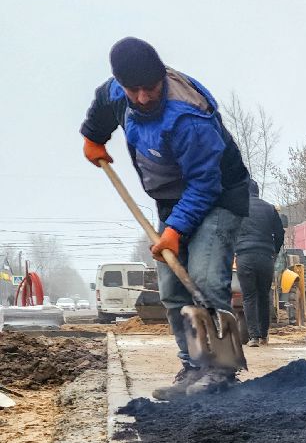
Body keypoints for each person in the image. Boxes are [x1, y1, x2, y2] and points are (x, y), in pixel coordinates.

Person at [80, 37, 252, 399]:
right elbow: (101, 104)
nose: (142, 97)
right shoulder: (117, 92)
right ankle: (193, 367)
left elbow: (205, 185)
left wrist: (175, 231)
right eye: (134, 89)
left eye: (150, 88)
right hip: (171, 200)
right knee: (173, 288)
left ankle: (220, 372)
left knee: (203, 279)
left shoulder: (188, 117)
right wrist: (93, 137)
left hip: (219, 195)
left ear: (162, 77)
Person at [234, 181, 286, 346]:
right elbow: (279, 233)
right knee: (264, 296)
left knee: (249, 296)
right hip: (265, 257)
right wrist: (274, 251)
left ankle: (254, 337)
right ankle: (264, 336)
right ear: (257, 191)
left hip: (245, 257)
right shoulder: (269, 208)